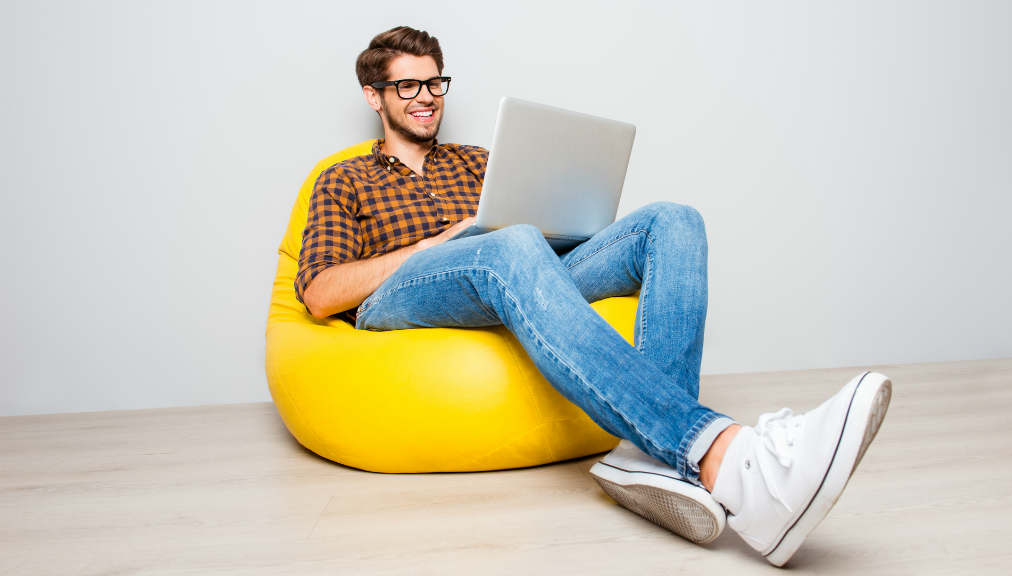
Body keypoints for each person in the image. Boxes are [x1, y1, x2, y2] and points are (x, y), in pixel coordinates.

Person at [295, 26, 892, 567]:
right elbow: (320, 293)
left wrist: (562, 224)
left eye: (435, 82)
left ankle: (654, 461)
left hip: (516, 273)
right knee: (511, 243)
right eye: (407, 86)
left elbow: (539, 235)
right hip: (402, 298)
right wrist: (434, 245)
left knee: (672, 220)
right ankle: (726, 457)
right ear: (374, 96)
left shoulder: (479, 163)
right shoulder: (344, 178)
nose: (426, 96)